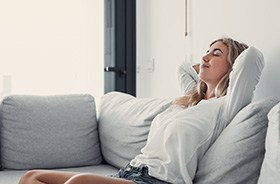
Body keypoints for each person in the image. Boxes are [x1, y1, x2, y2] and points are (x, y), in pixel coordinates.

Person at [19, 37, 264, 184]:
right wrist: (210, 63)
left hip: (159, 181)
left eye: (215, 53)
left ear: (233, 66)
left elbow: (252, 57)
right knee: (31, 177)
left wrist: (227, 57)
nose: (205, 57)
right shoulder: (190, 102)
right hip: (128, 174)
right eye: (206, 51)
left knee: (77, 183)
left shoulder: (226, 106)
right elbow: (182, 67)